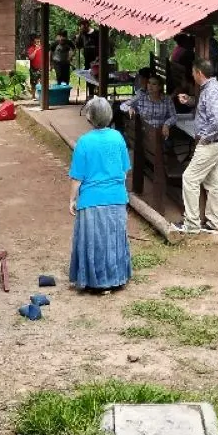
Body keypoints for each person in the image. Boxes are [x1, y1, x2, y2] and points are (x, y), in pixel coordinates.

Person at [68, 96, 133, 292]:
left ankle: (96, 282)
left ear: (90, 118)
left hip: (91, 200)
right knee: (113, 239)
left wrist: (72, 199)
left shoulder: (84, 142)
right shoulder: (117, 137)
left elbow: (77, 178)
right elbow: (124, 170)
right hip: (116, 198)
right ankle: (116, 278)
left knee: (93, 241)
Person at [172, 57, 218, 234]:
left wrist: (205, 138)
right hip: (215, 143)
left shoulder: (211, 91)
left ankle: (192, 224)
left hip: (210, 144)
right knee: (212, 184)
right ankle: (214, 223)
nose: (191, 75)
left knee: (189, 178)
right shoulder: (210, 89)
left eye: (192, 72)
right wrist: (190, 100)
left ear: (199, 73)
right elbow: (205, 108)